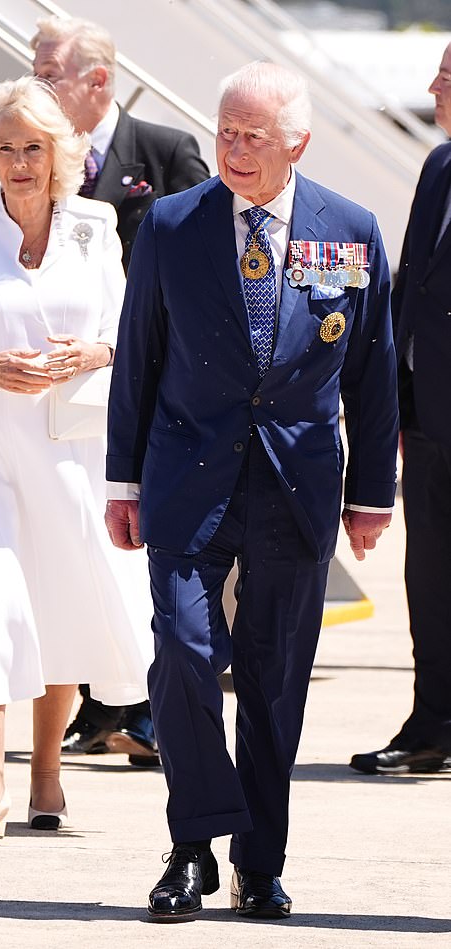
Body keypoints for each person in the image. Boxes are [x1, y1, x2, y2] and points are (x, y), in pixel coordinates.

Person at [105, 61, 399, 922]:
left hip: (297, 485)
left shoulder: (351, 231)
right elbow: (139, 359)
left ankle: (258, 862)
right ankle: (192, 846)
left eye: (252, 137)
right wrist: (123, 480)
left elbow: (375, 375)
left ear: (295, 142)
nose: (232, 149)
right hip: (188, 476)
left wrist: (374, 493)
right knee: (187, 655)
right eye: (225, 132)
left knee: (275, 680)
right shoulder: (170, 224)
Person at [0, 75, 152, 838]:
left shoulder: (96, 225)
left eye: (35, 148)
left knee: (59, 609)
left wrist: (96, 350)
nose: (20, 162)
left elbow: (129, 335)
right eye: (7, 147)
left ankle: (46, 773)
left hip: (71, 449)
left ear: (61, 153)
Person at [29, 13, 210, 766]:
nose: (36, 84)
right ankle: (107, 706)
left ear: (96, 82)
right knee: (90, 550)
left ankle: (155, 710)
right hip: (74, 404)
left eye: (47, 73)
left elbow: (209, 272)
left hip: (158, 394)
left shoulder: (163, 154)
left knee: (150, 554)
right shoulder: (39, 160)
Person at [350, 43, 451, 776]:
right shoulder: (439, 167)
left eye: (445, 76)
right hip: (426, 419)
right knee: (432, 577)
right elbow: (407, 287)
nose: (431, 87)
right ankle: (432, 723)